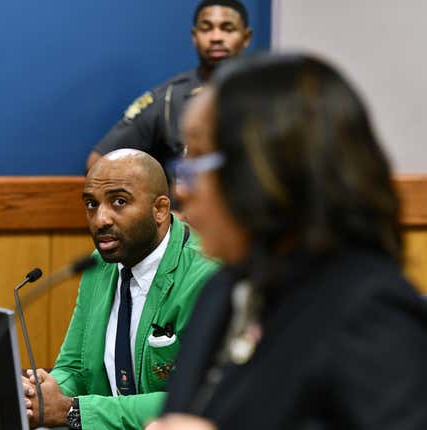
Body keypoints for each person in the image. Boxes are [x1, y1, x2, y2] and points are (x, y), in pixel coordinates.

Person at [148, 54, 427, 429]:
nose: (181, 187)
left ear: (268, 170)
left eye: (198, 160)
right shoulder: (224, 287)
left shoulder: (370, 310)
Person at [22, 149, 218, 429]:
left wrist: (74, 411)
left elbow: (190, 401)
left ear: (160, 209)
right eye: (91, 204)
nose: (101, 219)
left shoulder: (206, 275)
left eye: (119, 202)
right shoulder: (98, 265)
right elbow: (75, 368)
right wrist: (38, 394)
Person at [86, 0, 253, 172]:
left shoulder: (267, 94)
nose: (216, 37)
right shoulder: (168, 98)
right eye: (206, 28)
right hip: (186, 197)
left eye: (227, 28)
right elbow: (98, 162)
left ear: (246, 37)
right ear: (194, 36)